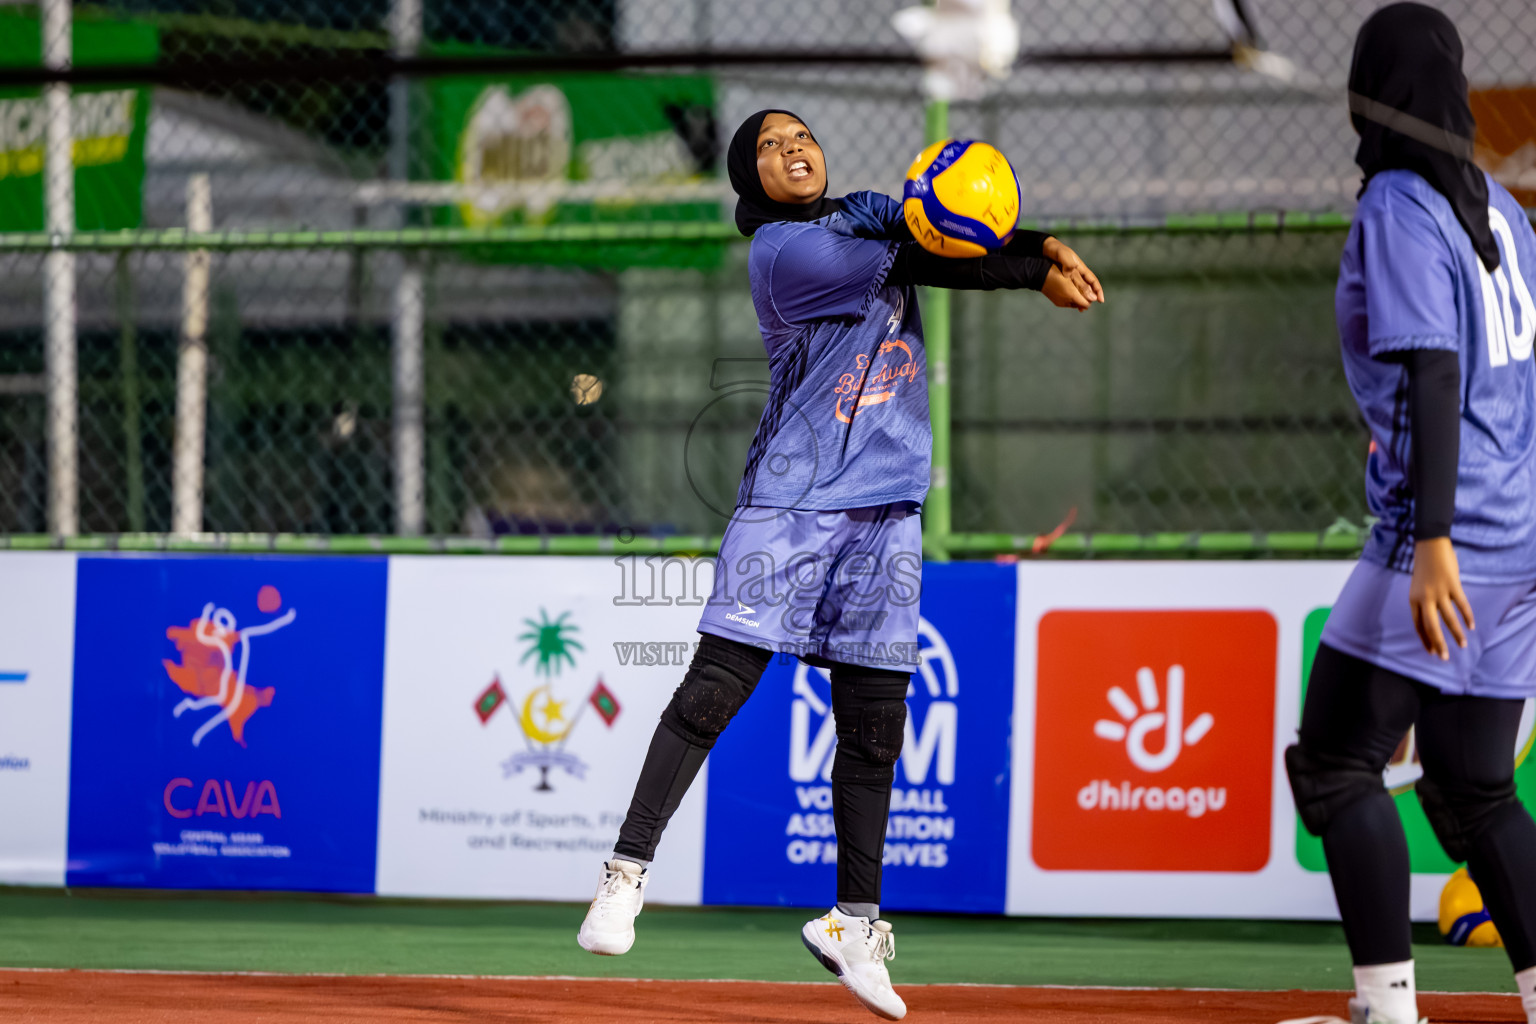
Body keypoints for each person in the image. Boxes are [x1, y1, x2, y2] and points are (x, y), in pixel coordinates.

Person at [575, 108, 1102, 1020]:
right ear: (751, 178)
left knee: (875, 723)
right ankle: (626, 872)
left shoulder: (862, 210)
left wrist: (1041, 252)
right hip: (792, 502)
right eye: (769, 146)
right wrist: (1033, 261)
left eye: (800, 135)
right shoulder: (783, 251)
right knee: (713, 691)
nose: (792, 148)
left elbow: (947, 232)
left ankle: (854, 924)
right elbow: (931, 254)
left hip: (887, 508)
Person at [1283, 6, 1536, 1024]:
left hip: (1443, 539)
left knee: (1336, 764)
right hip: (1518, 537)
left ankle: (1386, 1009)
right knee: (1473, 787)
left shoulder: (1398, 203)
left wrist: (1432, 540)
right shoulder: (1504, 209)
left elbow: (1433, 372)